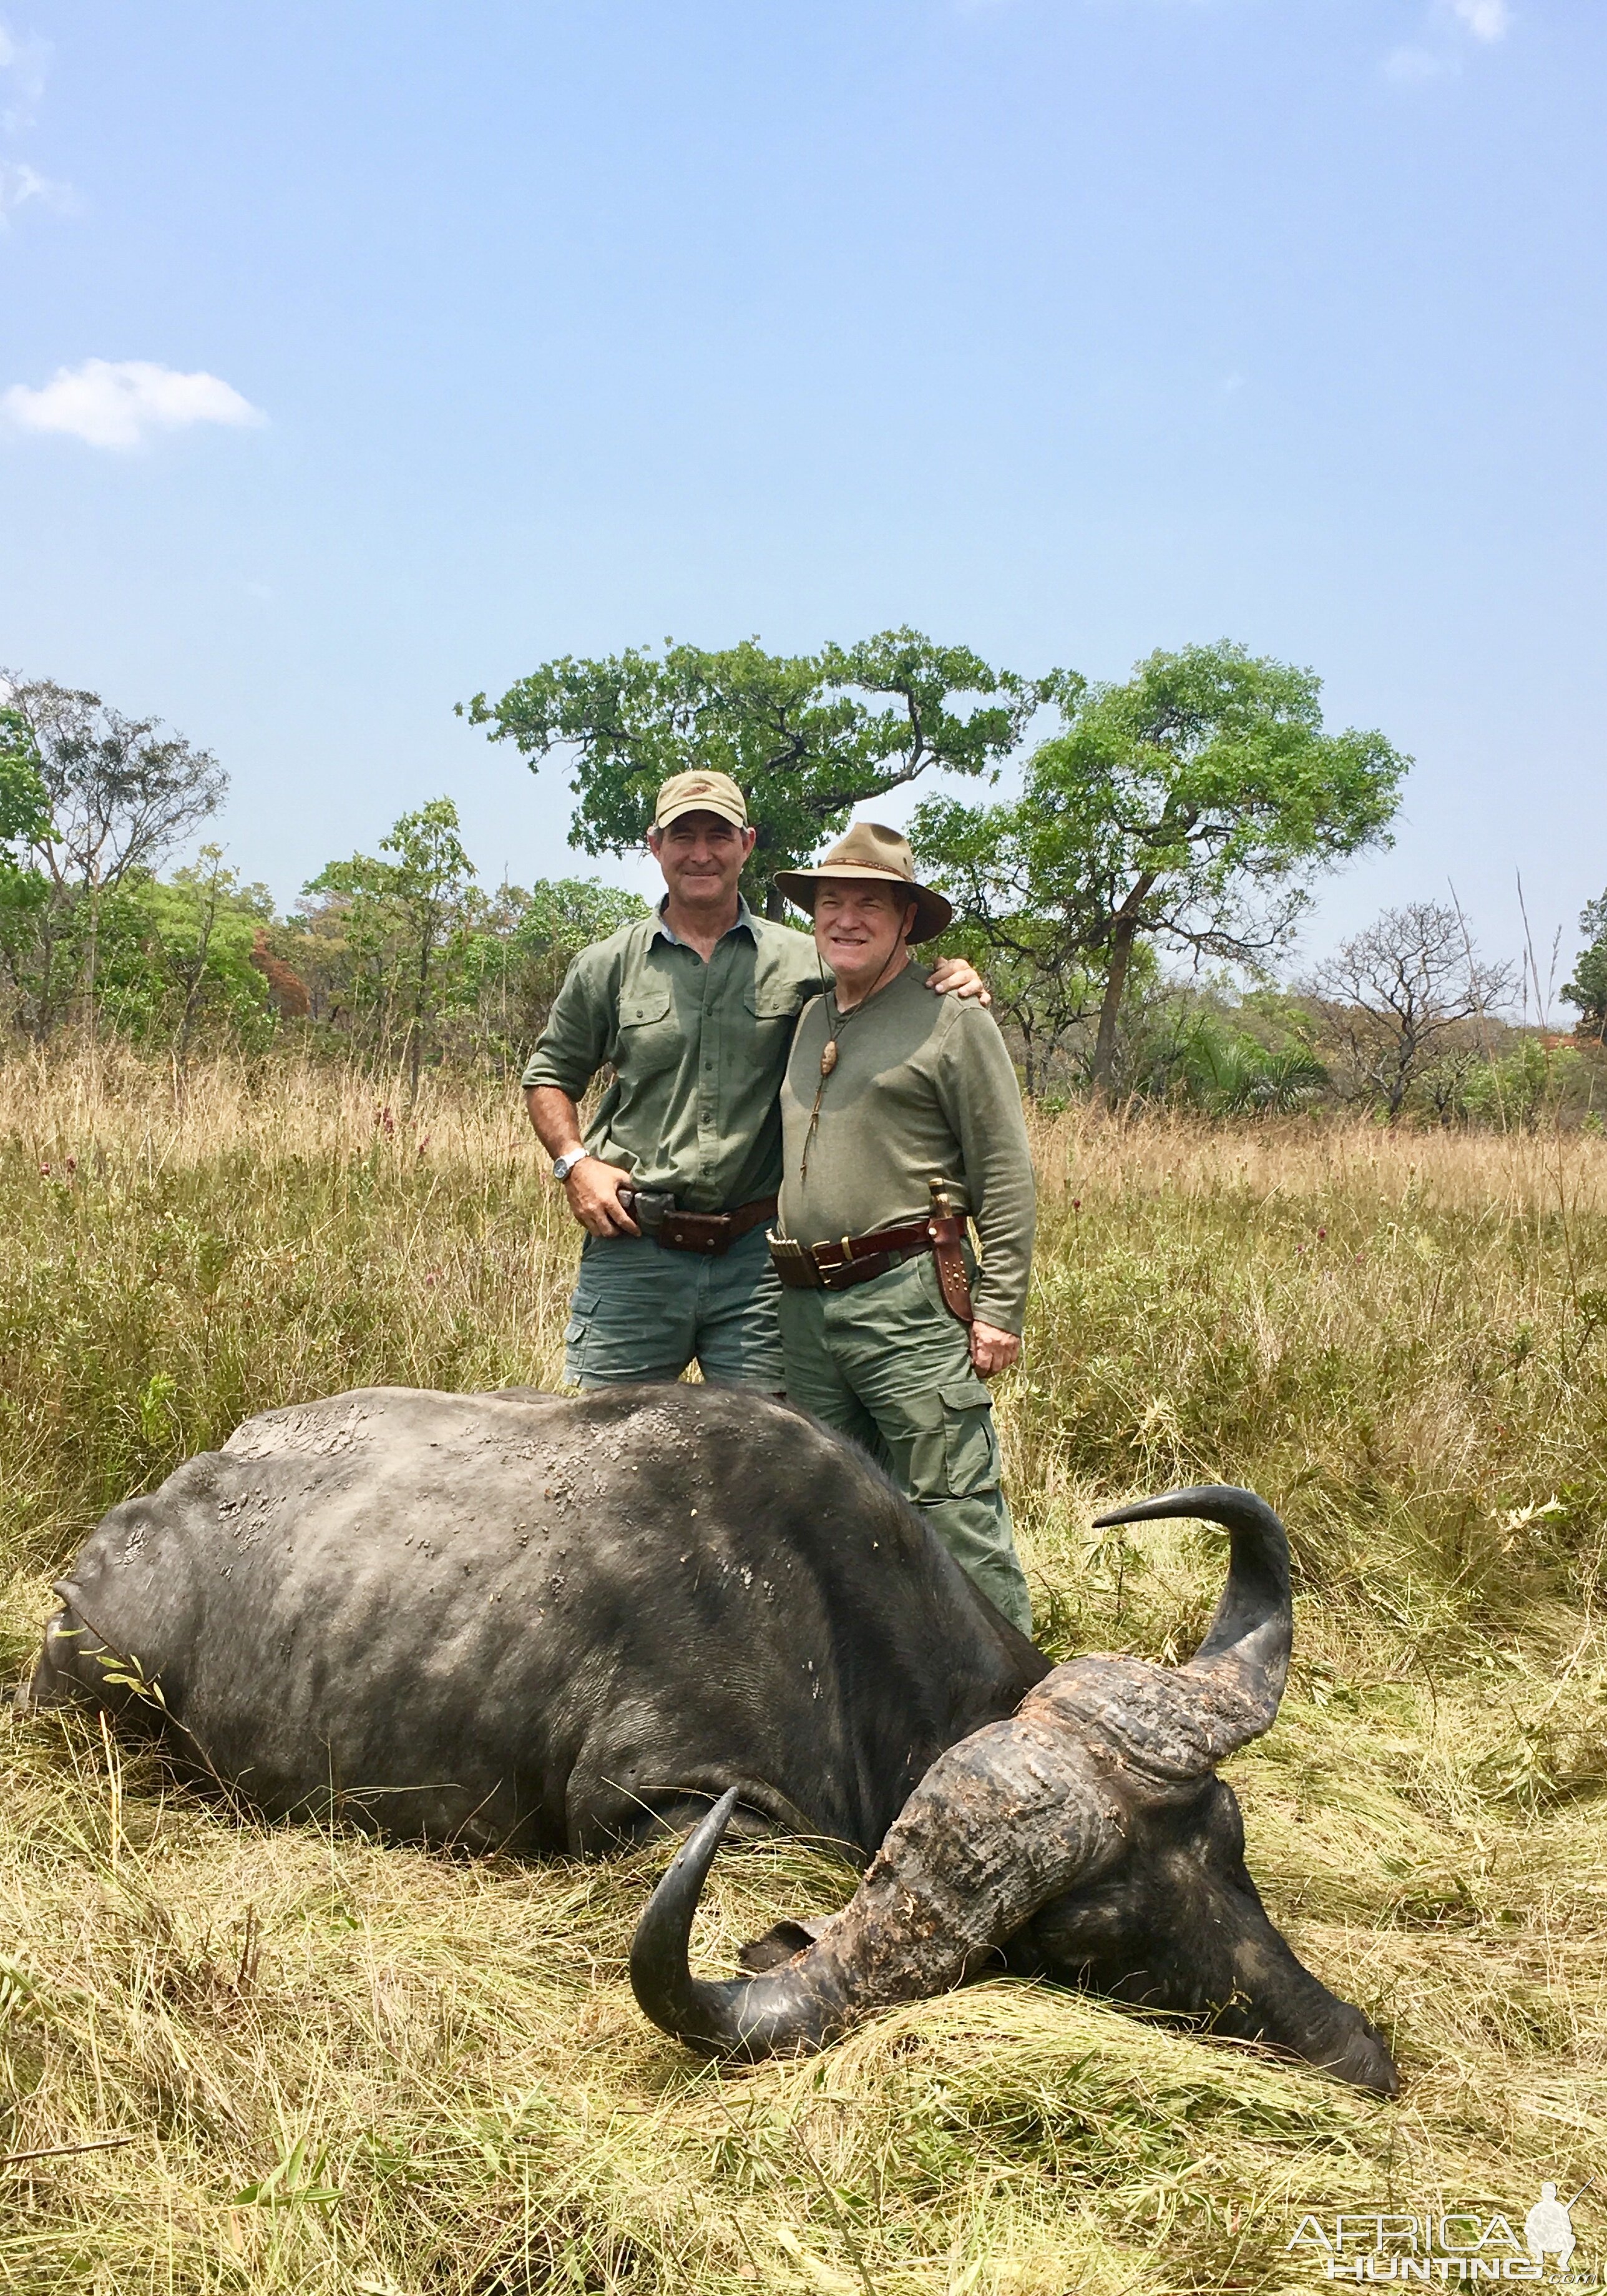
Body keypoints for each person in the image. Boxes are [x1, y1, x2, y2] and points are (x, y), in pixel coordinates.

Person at [523, 771, 985, 1391]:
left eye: (718, 835)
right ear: (653, 845)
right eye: (682, 835)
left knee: (767, 1457)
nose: (700, 853)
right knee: (604, 1455)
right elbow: (549, 1075)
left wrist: (950, 976)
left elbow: (880, 975)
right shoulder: (607, 964)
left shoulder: (806, 961)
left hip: (758, 1261)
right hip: (634, 1249)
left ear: (747, 843)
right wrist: (574, 1164)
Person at [768, 822, 1036, 1633]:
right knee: (827, 1513)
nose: (845, 917)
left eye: (868, 904)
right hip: (804, 1308)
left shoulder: (954, 1020)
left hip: (907, 1302)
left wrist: (999, 1307)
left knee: (952, 1511)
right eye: (830, 901)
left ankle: (1012, 1711)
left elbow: (1003, 1169)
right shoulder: (810, 1015)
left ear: (906, 921)